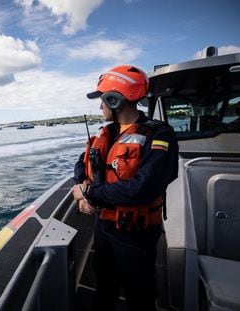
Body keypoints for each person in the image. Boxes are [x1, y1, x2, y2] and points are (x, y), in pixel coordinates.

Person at [72, 65, 179, 311]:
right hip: (103, 226)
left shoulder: (159, 134)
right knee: (104, 285)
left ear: (115, 99)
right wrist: (81, 191)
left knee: (139, 294)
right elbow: (81, 164)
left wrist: (89, 194)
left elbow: (143, 188)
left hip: (134, 233)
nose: (100, 107)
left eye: (102, 100)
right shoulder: (106, 133)